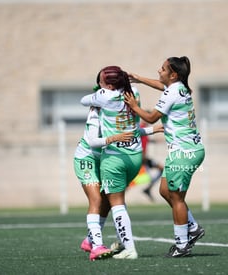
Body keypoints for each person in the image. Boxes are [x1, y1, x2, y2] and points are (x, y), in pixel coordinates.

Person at [125, 56, 205, 257]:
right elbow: (162, 86)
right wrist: (140, 78)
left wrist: (134, 106)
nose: (158, 71)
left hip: (184, 153)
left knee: (177, 198)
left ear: (173, 74)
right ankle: (192, 227)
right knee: (164, 190)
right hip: (182, 151)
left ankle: (182, 244)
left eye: (162, 69)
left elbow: (151, 117)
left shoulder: (172, 92)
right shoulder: (180, 88)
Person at [80, 66, 142, 260]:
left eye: (101, 82)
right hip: (134, 155)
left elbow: (84, 100)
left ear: (106, 85)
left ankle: (127, 247)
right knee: (103, 200)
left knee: (113, 203)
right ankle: (93, 241)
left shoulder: (102, 97)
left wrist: (112, 138)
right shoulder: (135, 93)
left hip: (113, 157)